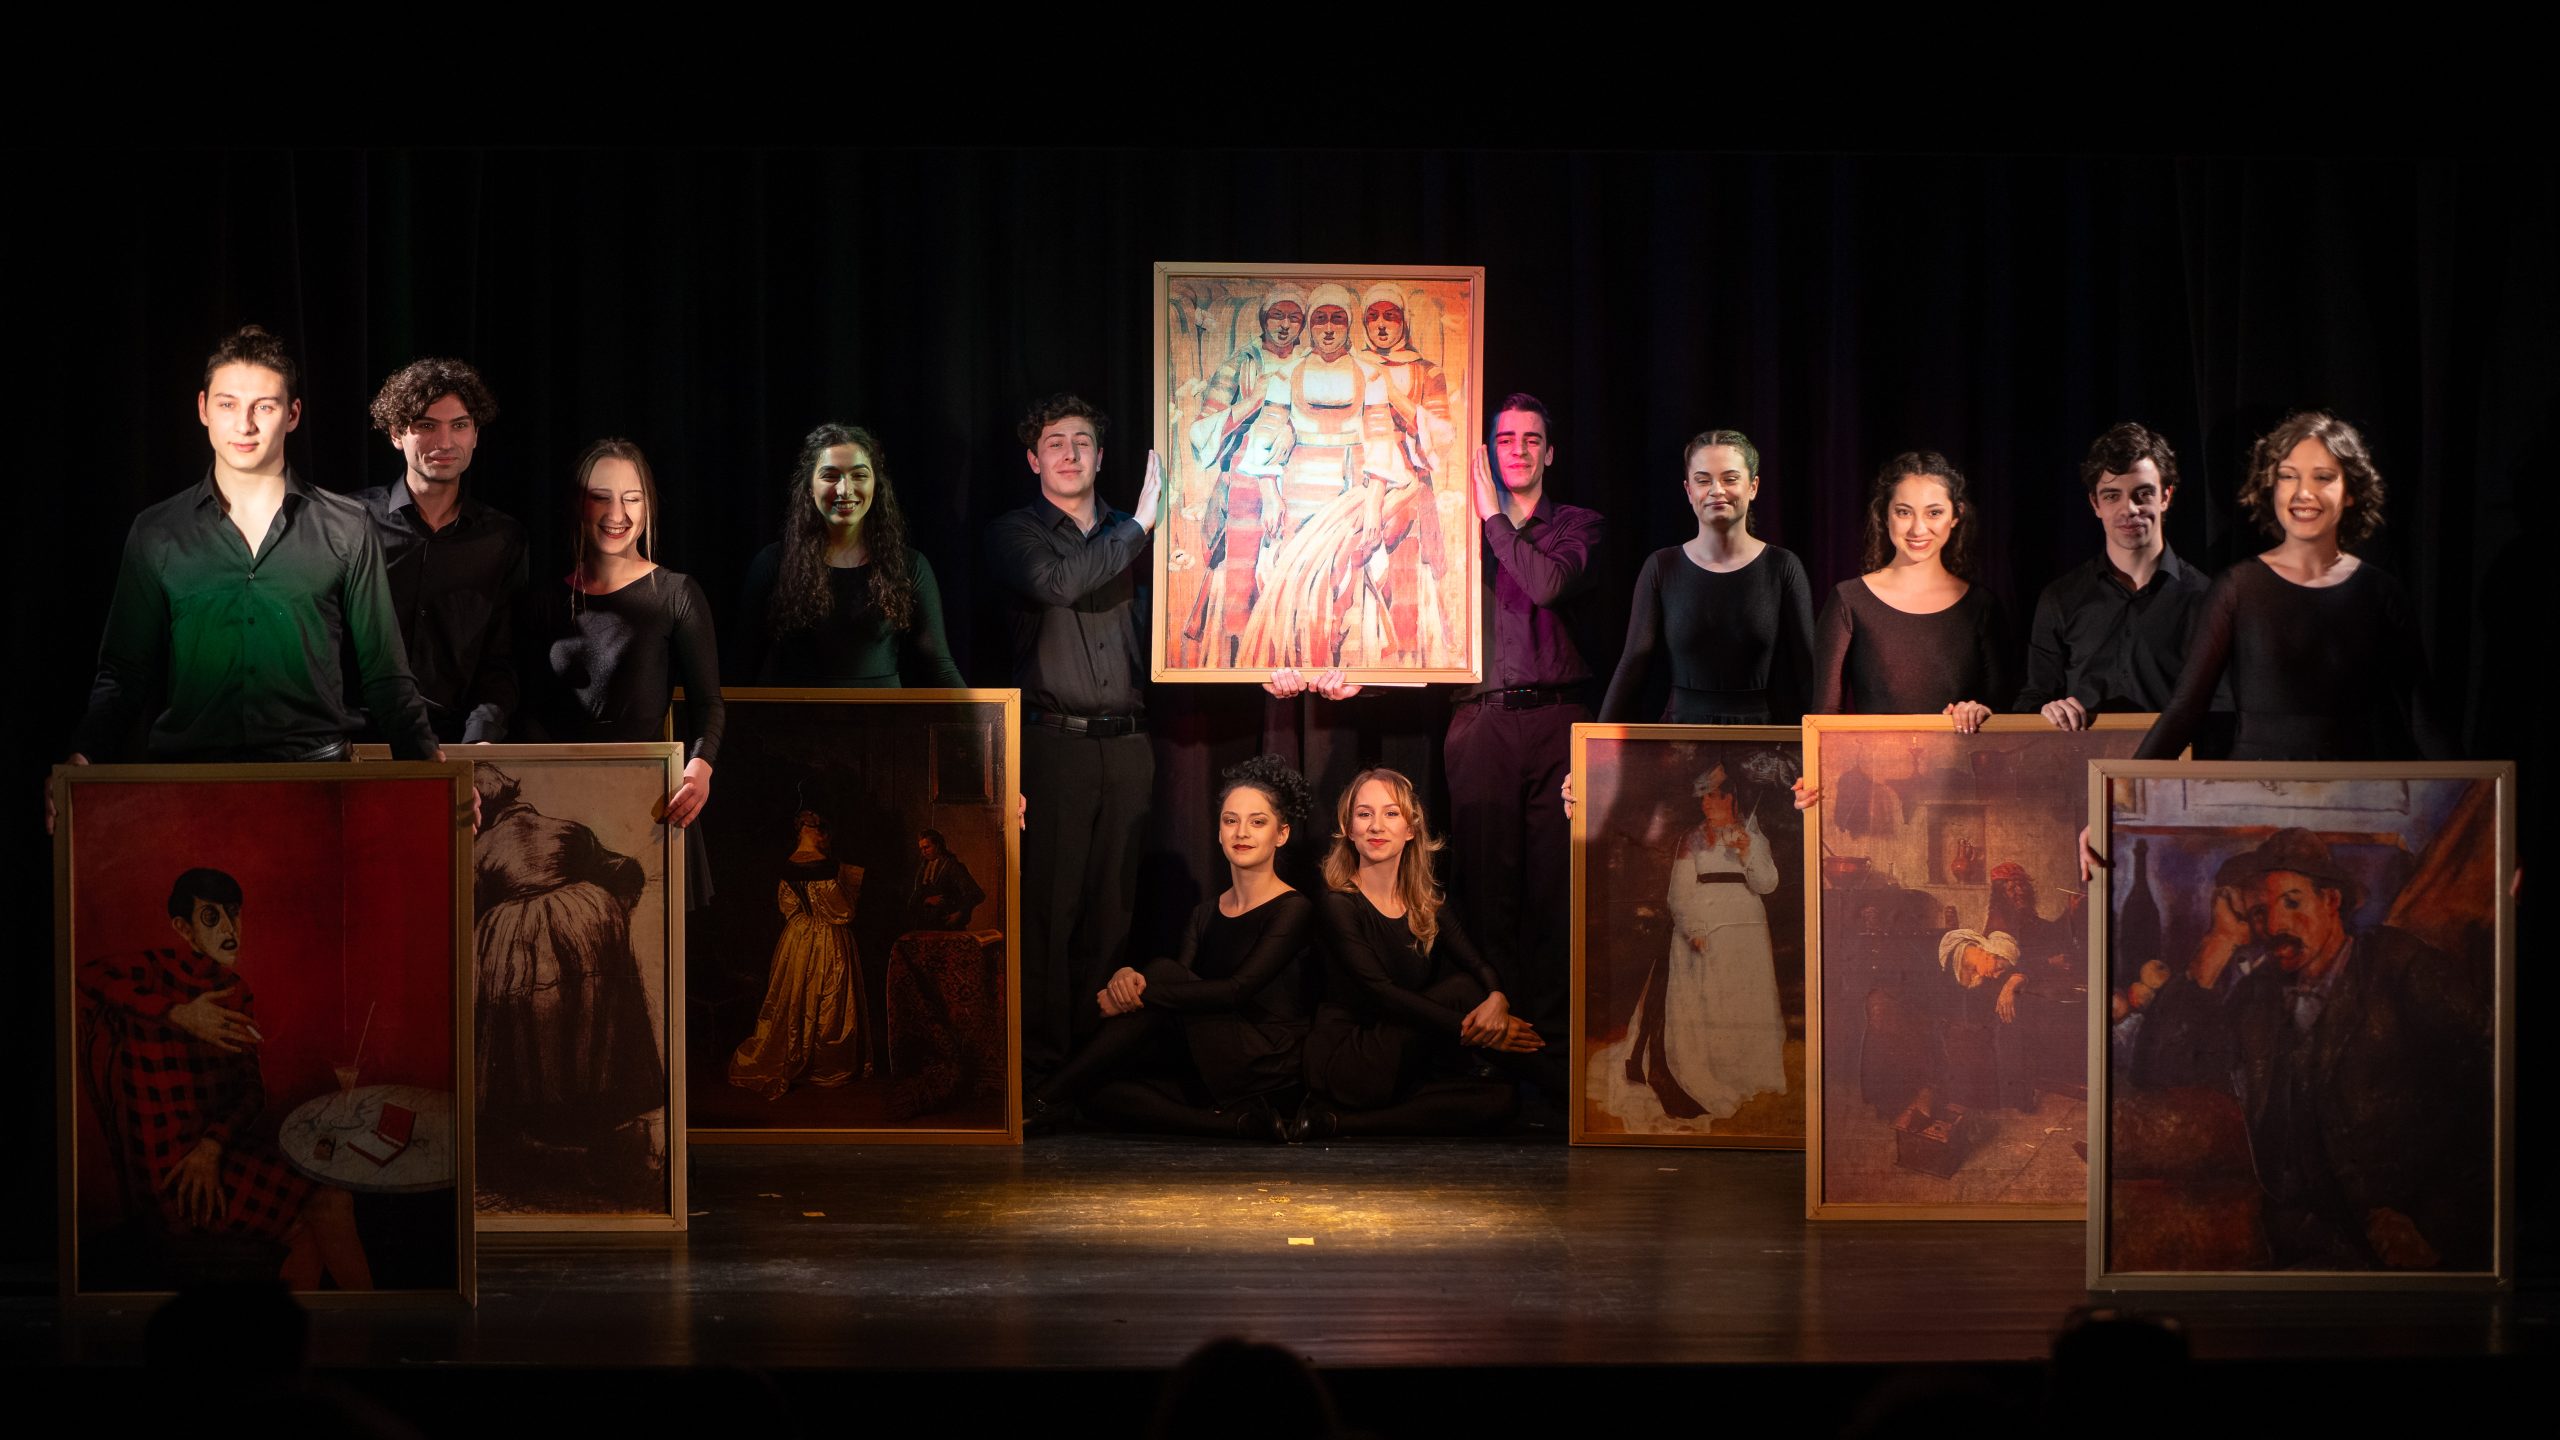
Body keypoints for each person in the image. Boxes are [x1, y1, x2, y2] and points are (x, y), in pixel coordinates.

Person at [68, 326, 440, 778]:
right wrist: (83, 757)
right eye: (228, 404)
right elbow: (124, 674)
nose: (244, 425)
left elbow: (385, 676)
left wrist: (430, 772)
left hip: (317, 784)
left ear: (292, 414)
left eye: (264, 406)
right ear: (203, 408)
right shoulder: (157, 531)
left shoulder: (348, 527)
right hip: (189, 787)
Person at [2126, 829, 2491, 1269]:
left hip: (2400, 1245)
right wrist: (2218, 943)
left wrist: (2431, 1226)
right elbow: (2158, 1071)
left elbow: (2492, 1089)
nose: (2274, 926)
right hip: (2294, 1247)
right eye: (2259, 911)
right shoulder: (2257, 996)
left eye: (2292, 902)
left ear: (2331, 900)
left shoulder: (2400, 967)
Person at [982, 394, 1165, 1084]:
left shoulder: (1134, 529)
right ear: (1034, 460)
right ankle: (1041, 1072)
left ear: (1100, 456)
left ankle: (1094, 1070)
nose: (1069, 453)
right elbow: (1058, 583)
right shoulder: (1016, 533)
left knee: (1114, 911)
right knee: (1051, 913)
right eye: (1054, 443)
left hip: (1131, 744)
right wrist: (1141, 526)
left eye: (1081, 441)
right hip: (1055, 746)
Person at [78, 869, 372, 1291]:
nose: (230, 929)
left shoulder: (236, 990)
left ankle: (308, 1327)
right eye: (211, 917)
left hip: (218, 1153)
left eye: (233, 913)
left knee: (315, 1216)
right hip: (175, 1179)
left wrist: (212, 1145)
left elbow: (251, 1091)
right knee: (331, 1202)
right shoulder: (153, 971)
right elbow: (86, 975)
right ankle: (373, 1319)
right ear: (184, 928)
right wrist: (179, 1014)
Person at [1026, 755, 1319, 1140]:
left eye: (1257, 822)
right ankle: (1237, 1124)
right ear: (1219, 832)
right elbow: (1177, 995)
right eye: (1230, 821)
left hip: (1266, 1059)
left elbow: (1236, 990)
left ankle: (1039, 1099)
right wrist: (1128, 978)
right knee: (1093, 1092)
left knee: (1161, 972)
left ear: (1281, 834)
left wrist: (1143, 992)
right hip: (1212, 1055)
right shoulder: (1204, 913)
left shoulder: (1293, 908)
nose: (1241, 832)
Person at [2133, 412, 2449, 762]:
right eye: (2288, 476)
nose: (2303, 493)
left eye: (2323, 477)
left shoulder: (2381, 592)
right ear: (2271, 487)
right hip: (2256, 789)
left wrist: (2476, 792)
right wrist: (2122, 790)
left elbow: (2422, 718)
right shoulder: (2237, 588)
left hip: (2352, 788)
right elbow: (2186, 709)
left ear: (2350, 492)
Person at [1444, 394, 1607, 1041]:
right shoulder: (1454, 527)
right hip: (1481, 721)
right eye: (1506, 439)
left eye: (1531, 439)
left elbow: (1547, 585)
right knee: (1485, 886)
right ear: (1489, 451)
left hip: (1556, 721)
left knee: (1555, 888)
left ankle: (1552, 1044)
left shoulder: (1577, 525)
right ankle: (1494, 1032)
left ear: (1550, 453)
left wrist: (1493, 519)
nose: (1518, 450)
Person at [1297, 768, 1544, 1139]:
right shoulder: (1338, 903)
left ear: (1411, 829)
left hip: (1402, 1054)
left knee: (1501, 1100)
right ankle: (1566, 1085)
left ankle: (1334, 1123)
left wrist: (1497, 998)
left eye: (1390, 813)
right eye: (1364, 814)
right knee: (1461, 990)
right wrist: (1473, 1031)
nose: (1376, 826)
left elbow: (1478, 964)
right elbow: (1381, 991)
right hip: (1349, 1056)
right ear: (1348, 829)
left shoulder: (1427, 903)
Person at [470, 764, 663, 1196]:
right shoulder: (568, 828)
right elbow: (625, 870)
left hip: (521, 941)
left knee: (534, 1038)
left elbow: (468, 905)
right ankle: (589, 1135)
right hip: (589, 923)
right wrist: (608, 919)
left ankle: (549, 1141)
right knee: (589, 1031)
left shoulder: (482, 848)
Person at [516, 438, 719, 828]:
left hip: (651, 804)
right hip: (559, 803)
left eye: (632, 499)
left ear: (648, 506)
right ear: (579, 504)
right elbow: (526, 710)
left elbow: (708, 704)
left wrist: (699, 769)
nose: (617, 514)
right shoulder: (543, 602)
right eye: (601, 497)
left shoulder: (676, 594)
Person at [1595, 764, 1787, 1128]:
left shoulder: (1753, 836)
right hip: (1703, 927)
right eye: (1703, 797)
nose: (1706, 804)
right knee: (1706, 1002)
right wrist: (1693, 928)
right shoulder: (1692, 839)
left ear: (1731, 798)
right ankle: (1703, 1073)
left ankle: (1743, 1074)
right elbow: (1678, 893)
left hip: (1745, 930)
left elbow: (1767, 885)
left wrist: (1747, 853)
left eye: (1714, 796)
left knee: (1742, 1000)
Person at [356, 357, 528, 745]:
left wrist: (481, 739)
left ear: (475, 434)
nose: (445, 442)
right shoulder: (350, 522)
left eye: (459, 426)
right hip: (362, 743)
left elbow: (501, 660)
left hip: (457, 745)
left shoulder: (502, 539)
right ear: (396, 433)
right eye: (427, 426)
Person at [1598, 428, 1817, 724]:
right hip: (1680, 737)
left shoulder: (1782, 567)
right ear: (1689, 490)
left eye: (1730, 479)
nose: (1716, 490)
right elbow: (1633, 665)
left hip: (1759, 736)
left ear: (1753, 487)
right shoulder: (1662, 566)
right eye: (1703, 480)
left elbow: (1808, 671)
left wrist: (1828, 744)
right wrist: (1594, 746)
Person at [731, 423, 964, 687]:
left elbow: (940, 668)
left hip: (883, 714)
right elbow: (742, 666)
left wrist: (979, 714)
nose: (844, 489)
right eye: (830, 476)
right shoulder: (773, 563)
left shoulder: (909, 565)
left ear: (875, 485)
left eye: (859, 475)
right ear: (810, 487)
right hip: (797, 713)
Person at [2016, 422, 2210, 731]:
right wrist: (2046, 710)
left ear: (2165, 496)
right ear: (2095, 503)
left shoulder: (2206, 598)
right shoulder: (2060, 598)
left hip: (2170, 760)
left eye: (2142, 493)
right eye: (2111, 496)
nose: (2128, 509)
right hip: (2081, 759)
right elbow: (2034, 699)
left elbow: (2220, 707)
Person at [1808, 451, 2012, 725]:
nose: (1918, 529)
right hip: (1872, 753)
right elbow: (1824, 718)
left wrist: (1979, 711)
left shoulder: (1982, 605)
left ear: (1956, 515)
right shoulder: (1849, 599)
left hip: (1963, 754)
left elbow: (2006, 711)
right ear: (1885, 515)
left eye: (1934, 513)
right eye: (1904, 512)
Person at [1179, 286, 1303, 668]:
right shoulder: (1242, 363)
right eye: (1277, 315)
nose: (1285, 325)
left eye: (1294, 317)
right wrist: (1251, 403)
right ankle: (1243, 657)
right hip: (1243, 483)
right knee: (1242, 583)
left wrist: (1293, 429)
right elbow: (1201, 430)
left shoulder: (1310, 360)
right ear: (1264, 319)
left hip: (1302, 480)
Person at [727, 809, 870, 1096]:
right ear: (816, 832)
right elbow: (843, 911)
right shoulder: (828, 867)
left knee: (795, 995)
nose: (824, 837)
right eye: (821, 831)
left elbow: (788, 906)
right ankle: (823, 1063)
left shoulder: (790, 865)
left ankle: (801, 1052)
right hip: (829, 937)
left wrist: (805, 922)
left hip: (798, 936)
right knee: (829, 996)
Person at [906, 828, 985, 931]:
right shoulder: (923, 869)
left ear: (938, 846)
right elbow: (913, 901)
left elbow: (976, 894)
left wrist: (959, 914)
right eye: (921, 849)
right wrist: (926, 900)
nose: (923, 852)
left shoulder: (953, 866)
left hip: (948, 927)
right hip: (925, 927)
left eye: (927, 847)